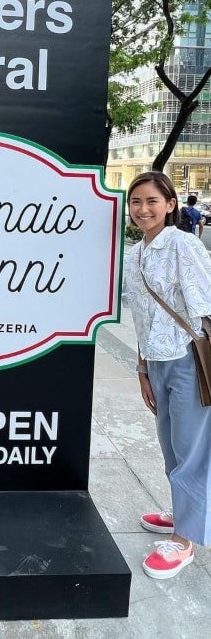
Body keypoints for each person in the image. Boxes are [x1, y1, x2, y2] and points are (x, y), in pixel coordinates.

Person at [123, 171, 211, 580]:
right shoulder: (135, 253)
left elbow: (205, 306)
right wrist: (141, 369)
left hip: (187, 359)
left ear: (171, 204)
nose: (143, 209)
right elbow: (142, 316)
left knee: (190, 451)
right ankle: (182, 511)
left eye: (152, 201)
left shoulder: (184, 244)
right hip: (156, 361)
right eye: (136, 202)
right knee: (171, 447)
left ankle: (184, 539)